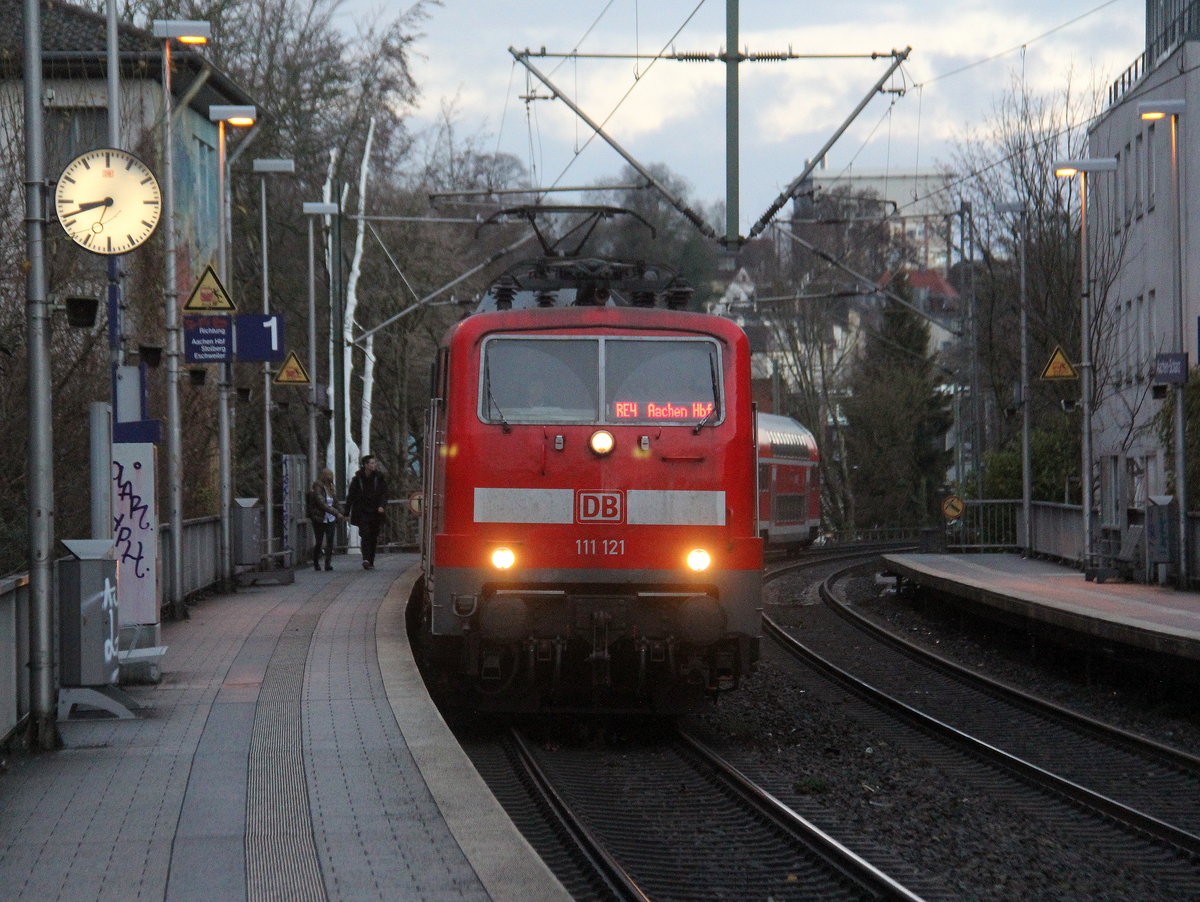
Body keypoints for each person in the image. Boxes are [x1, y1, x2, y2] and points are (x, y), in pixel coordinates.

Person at [346, 454, 388, 569]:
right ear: (365, 465)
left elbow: (384, 493)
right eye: (371, 463)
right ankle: (365, 558)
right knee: (365, 534)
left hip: (375, 512)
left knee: (373, 536)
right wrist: (346, 511)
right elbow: (351, 495)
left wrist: (382, 505)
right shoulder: (357, 479)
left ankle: (371, 559)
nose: (374, 465)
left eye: (374, 463)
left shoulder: (379, 478)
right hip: (362, 511)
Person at [306, 468, 345, 571]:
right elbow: (322, 503)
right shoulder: (318, 487)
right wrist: (337, 513)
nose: (330, 477)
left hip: (330, 518)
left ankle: (328, 563)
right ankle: (316, 561)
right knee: (319, 541)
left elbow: (335, 502)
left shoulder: (331, 488)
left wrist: (343, 512)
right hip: (319, 517)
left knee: (330, 541)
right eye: (329, 475)